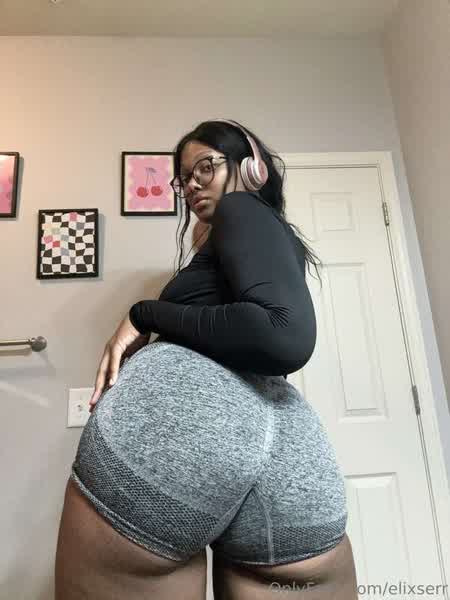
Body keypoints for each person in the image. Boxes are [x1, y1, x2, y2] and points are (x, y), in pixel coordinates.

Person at [54, 119, 358, 599]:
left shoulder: (240, 208)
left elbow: (283, 335)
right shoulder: (262, 234)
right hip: (286, 445)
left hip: (184, 440)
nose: (192, 185)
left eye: (205, 168)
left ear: (251, 167)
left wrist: (143, 313)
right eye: (183, 179)